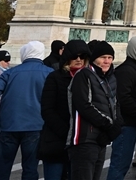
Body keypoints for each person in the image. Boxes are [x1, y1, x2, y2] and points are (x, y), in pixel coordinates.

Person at [68, 40, 122, 180]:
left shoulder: (111, 78)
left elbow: (115, 105)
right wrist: (108, 124)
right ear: (94, 59)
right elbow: (84, 105)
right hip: (85, 139)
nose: (107, 61)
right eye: (103, 57)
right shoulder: (84, 75)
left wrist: (114, 129)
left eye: (110, 58)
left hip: (101, 139)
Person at [0, 41, 51, 180]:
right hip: (35, 124)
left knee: (2, 165)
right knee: (30, 167)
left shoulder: (10, 73)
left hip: (9, 124)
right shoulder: (49, 73)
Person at [39, 40, 89, 180]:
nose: (78, 60)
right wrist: (67, 131)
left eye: (82, 56)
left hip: (78, 143)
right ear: (67, 57)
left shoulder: (89, 78)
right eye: (74, 56)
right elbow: (47, 109)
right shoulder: (55, 77)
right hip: (56, 139)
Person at [107, 37, 136, 180]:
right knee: (120, 163)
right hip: (126, 124)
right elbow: (124, 99)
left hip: (133, 122)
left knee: (123, 163)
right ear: (135, 50)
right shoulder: (127, 70)